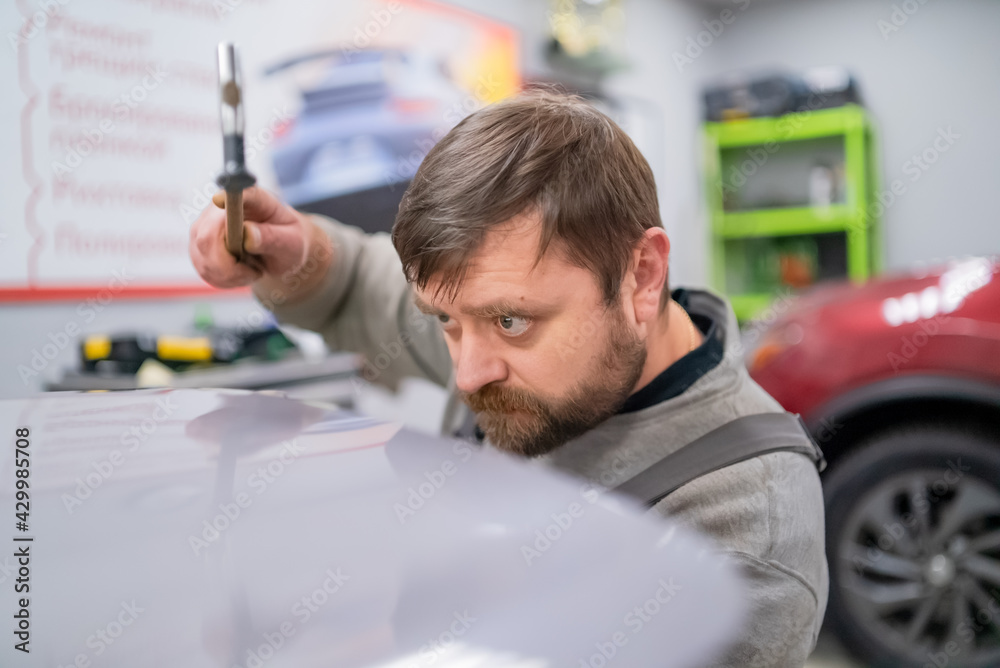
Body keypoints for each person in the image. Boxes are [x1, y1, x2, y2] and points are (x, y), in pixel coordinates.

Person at [189, 91, 828, 667]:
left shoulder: (745, 531)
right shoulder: (497, 330)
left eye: (512, 321)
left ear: (642, 276)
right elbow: (359, 279)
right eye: (445, 320)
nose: (468, 374)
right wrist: (298, 253)